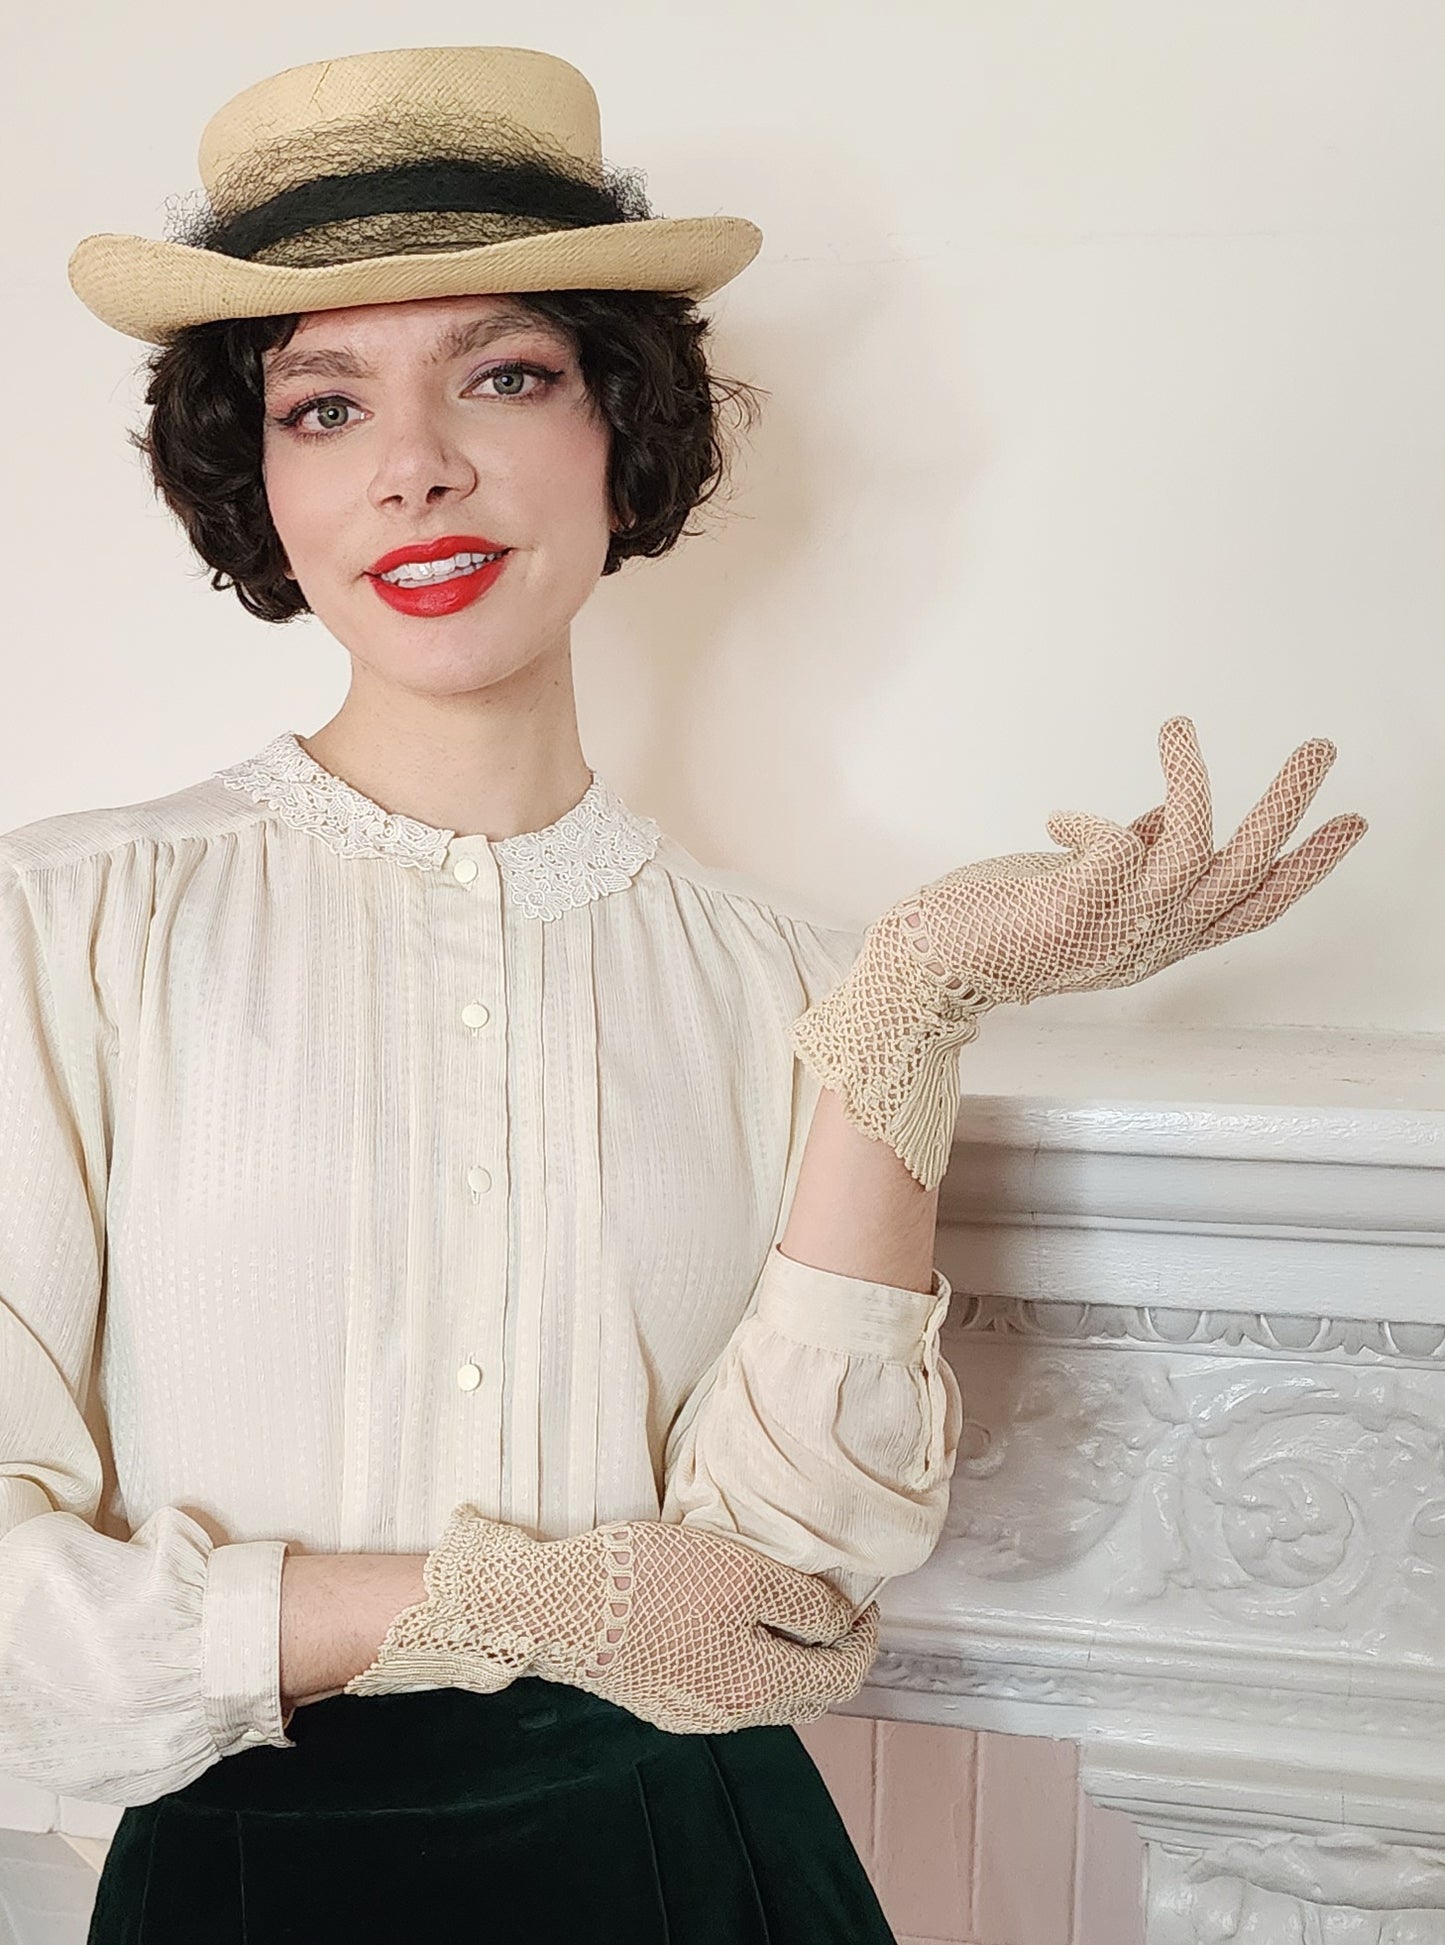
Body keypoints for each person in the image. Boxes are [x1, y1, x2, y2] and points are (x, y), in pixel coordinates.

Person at [2, 41, 1364, 1945]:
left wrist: (912, 1003)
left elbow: (791, 1569)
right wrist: (495, 1603)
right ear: (258, 481)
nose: (417, 464)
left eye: (503, 373)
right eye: (324, 405)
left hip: (704, 1870)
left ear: (615, 430)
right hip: (252, 1882)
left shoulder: (785, 982)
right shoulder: (64, 929)